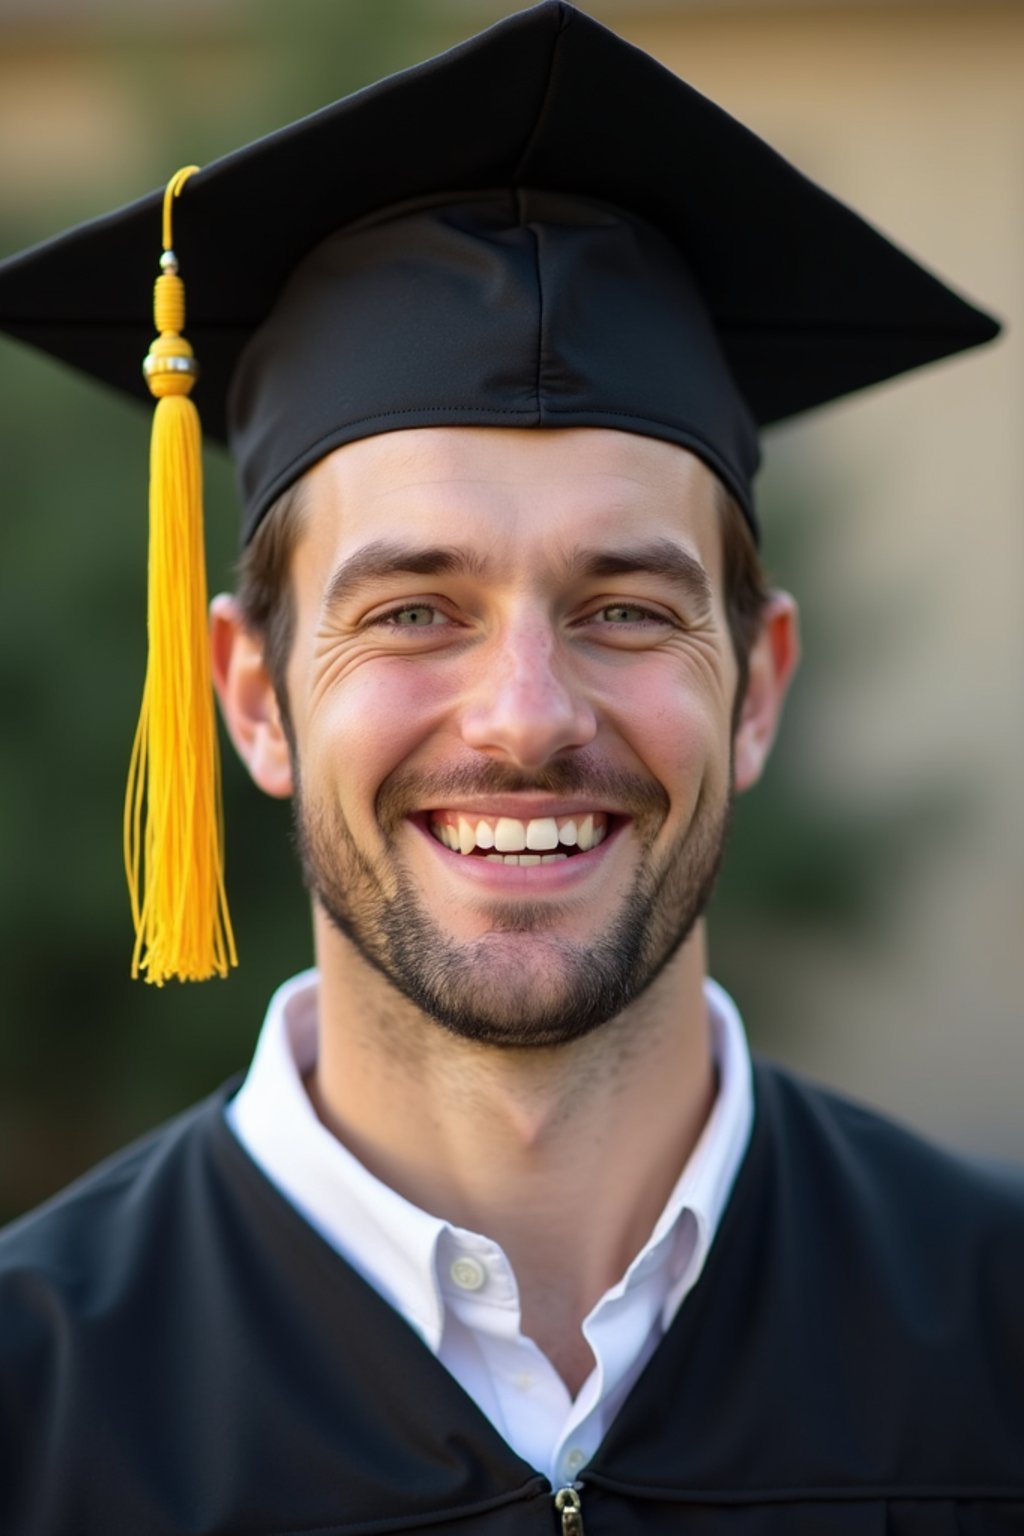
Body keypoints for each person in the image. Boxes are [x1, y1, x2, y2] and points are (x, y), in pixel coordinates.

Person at [0, 4, 1021, 1532]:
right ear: (256, 696)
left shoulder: (999, 1333)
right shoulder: (33, 1398)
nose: (526, 715)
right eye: (416, 610)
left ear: (758, 689)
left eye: (625, 608)